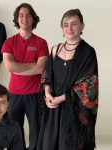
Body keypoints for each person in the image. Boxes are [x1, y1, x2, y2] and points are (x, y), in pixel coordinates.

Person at [37, 9, 99, 150]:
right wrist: (47, 93)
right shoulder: (55, 49)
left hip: (74, 110)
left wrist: (60, 98)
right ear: (62, 28)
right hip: (53, 108)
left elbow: (88, 87)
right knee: (49, 144)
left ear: (82, 26)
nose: (69, 28)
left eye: (74, 24)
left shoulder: (88, 52)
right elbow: (47, 74)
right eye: (66, 24)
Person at [1, 3, 48, 150]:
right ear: (17, 19)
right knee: (15, 129)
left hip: (35, 93)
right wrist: (32, 65)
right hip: (15, 93)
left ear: (33, 19)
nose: (24, 18)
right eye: (21, 15)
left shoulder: (41, 43)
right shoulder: (9, 42)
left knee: (36, 129)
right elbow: (9, 66)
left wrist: (19, 67)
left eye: (28, 15)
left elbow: (41, 68)